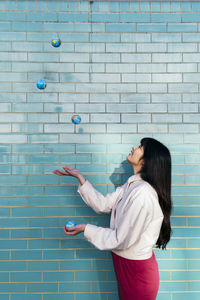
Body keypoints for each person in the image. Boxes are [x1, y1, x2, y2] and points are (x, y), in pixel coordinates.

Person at [53, 137, 172, 300]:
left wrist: (85, 229)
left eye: (141, 147)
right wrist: (81, 179)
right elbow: (102, 204)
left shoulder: (143, 193)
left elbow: (120, 239)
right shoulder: (132, 184)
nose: (134, 147)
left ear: (148, 160)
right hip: (126, 267)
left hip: (137, 273)